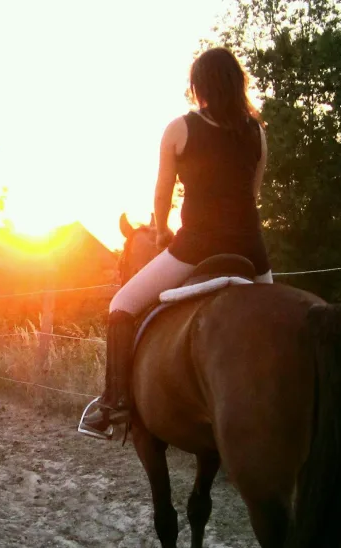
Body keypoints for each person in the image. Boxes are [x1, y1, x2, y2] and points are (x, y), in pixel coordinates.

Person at [79, 46, 274, 440]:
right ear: (238, 84)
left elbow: (162, 196)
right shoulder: (257, 132)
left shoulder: (179, 129)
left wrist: (164, 232)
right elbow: (253, 195)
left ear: (197, 86)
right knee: (275, 326)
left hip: (196, 248)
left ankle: (113, 405)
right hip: (252, 254)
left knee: (121, 305)